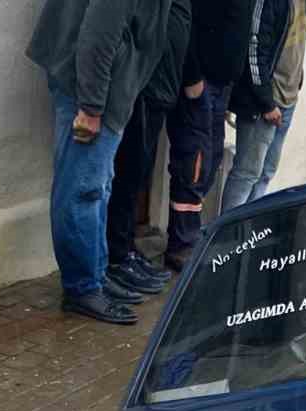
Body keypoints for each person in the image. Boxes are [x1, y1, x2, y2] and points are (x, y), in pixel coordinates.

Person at [27, 0, 172, 324]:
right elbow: (99, 35)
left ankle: (97, 274)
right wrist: (91, 107)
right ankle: (83, 289)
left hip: (105, 85)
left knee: (99, 185)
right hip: (92, 88)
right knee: (83, 190)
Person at [106, 0, 193, 301]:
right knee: (128, 177)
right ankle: (116, 258)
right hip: (147, 89)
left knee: (138, 176)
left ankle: (126, 248)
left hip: (162, 90)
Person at [164, 0, 255, 270]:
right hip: (201, 84)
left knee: (210, 161)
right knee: (193, 163)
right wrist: (192, 78)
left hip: (222, 86)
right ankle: (181, 244)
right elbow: (183, 23)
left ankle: (191, 236)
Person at [221, 0, 306, 213]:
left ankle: (248, 237)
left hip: (288, 98)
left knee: (266, 173)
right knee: (246, 174)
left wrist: (297, 82)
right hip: (265, 103)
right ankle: (228, 241)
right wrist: (266, 102)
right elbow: (254, 50)